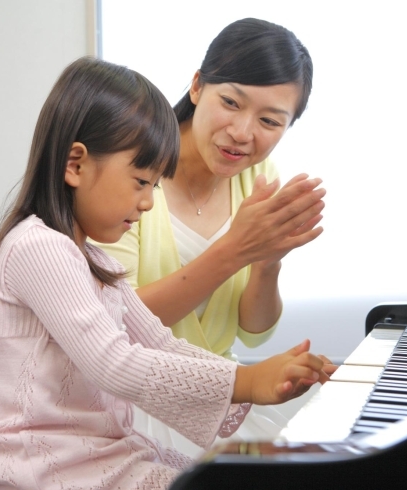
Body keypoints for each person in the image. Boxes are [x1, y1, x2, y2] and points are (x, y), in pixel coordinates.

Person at [0, 56, 333, 490]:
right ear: (75, 165)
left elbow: (157, 341)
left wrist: (255, 377)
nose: (148, 202)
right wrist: (246, 381)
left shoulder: (96, 262)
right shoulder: (37, 247)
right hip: (41, 471)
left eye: (155, 185)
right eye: (141, 181)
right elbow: (113, 364)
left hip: (98, 456)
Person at [94, 18, 327, 452]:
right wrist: (236, 248)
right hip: (134, 395)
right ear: (198, 86)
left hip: (215, 388)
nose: (242, 133)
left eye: (270, 121)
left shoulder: (258, 177)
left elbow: (254, 332)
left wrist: (268, 260)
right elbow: (114, 322)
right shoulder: (129, 166)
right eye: (232, 102)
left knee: (333, 435)